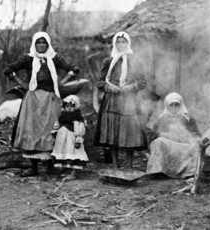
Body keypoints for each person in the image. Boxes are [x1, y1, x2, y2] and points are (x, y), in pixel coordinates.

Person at [3, 32, 80, 177]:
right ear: (34, 44)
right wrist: (22, 83)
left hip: (50, 98)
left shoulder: (54, 57)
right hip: (32, 99)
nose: (41, 45)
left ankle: (50, 167)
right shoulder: (28, 58)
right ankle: (33, 167)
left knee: (50, 130)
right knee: (32, 129)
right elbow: (9, 70)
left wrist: (61, 83)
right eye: (38, 42)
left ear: (48, 44)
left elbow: (73, 68)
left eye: (44, 42)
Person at [94, 31, 148, 169]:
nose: (121, 44)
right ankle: (115, 165)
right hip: (112, 101)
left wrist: (131, 87)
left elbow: (142, 82)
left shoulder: (135, 60)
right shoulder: (109, 61)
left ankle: (129, 166)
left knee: (129, 131)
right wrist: (110, 88)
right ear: (114, 43)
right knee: (113, 131)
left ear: (128, 43)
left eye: (123, 42)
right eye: (118, 42)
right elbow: (100, 83)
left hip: (129, 101)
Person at [146, 92, 201, 178]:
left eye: (176, 105)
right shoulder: (162, 119)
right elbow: (152, 136)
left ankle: (187, 172)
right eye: (171, 105)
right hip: (168, 148)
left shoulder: (188, 118)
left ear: (181, 105)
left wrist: (190, 138)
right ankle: (158, 171)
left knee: (194, 147)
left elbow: (196, 134)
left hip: (183, 147)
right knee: (158, 142)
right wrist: (163, 134)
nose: (174, 108)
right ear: (167, 106)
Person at [51, 95, 88, 180]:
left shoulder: (77, 117)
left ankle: (73, 173)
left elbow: (80, 129)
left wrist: (78, 140)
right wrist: (54, 133)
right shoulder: (62, 116)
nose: (69, 108)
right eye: (67, 106)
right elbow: (57, 125)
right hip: (62, 139)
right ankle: (68, 171)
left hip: (72, 138)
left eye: (72, 107)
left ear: (76, 107)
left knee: (74, 154)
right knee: (65, 153)